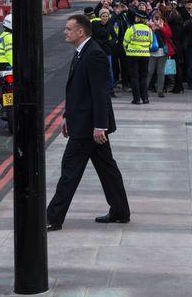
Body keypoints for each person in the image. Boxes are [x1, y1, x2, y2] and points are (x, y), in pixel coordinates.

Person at [46, 15, 130, 231]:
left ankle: (52, 218)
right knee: (107, 170)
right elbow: (78, 92)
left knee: (69, 172)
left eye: (68, 29)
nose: (65, 32)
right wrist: (67, 116)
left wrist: (100, 126)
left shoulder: (94, 55)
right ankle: (120, 212)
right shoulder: (82, 52)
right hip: (84, 123)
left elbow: (100, 93)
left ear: (80, 32)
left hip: (89, 128)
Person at [123, 8, 153, 104]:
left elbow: (125, 42)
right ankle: (145, 98)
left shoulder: (132, 29)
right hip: (145, 55)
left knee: (134, 77)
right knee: (143, 77)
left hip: (132, 55)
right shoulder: (149, 29)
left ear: (137, 18)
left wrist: (128, 50)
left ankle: (136, 99)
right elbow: (151, 44)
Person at [92, 8, 118, 97]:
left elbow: (115, 37)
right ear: (100, 17)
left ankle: (111, 90)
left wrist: (110, 43)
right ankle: (96, 90)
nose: (105, 18)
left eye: (106, 16)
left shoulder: (110, 25)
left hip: (107, 51)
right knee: (96, 71)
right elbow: (91, 36)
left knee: (109, 71)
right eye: (103, 16)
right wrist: (97, 42)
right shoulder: (94, 24)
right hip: (97, 50)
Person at [147, 9, 171, 98]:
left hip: (162, 52)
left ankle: (160, 91)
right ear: (152, 18)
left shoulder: (164, 24)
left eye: (158, 17)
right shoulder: (148, 25)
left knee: (160, 72)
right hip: (151, 52)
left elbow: (169, 35)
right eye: (155, 17)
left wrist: (161, 27)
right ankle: (145, 89)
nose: (157, 19)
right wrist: (152, 29)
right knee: (149, 71)